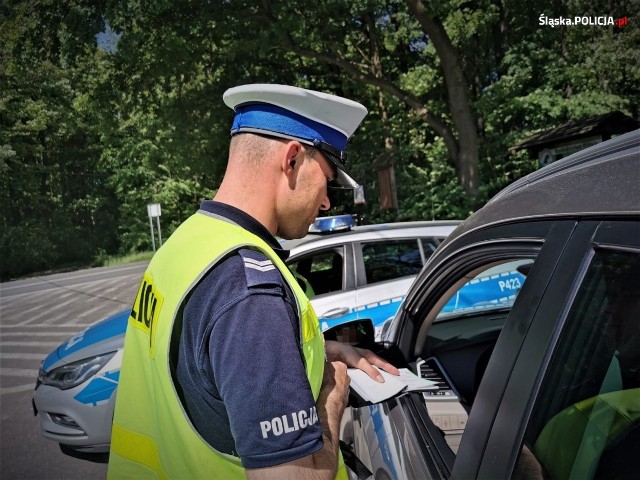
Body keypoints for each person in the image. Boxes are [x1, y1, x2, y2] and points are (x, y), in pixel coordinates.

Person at [107, 84, 399, 480]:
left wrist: (318, 350)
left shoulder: (185, 243)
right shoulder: (250, 293)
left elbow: (205, 365)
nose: (328, 201)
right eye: (328, 179)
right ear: (293, 158)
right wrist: (332, 393)